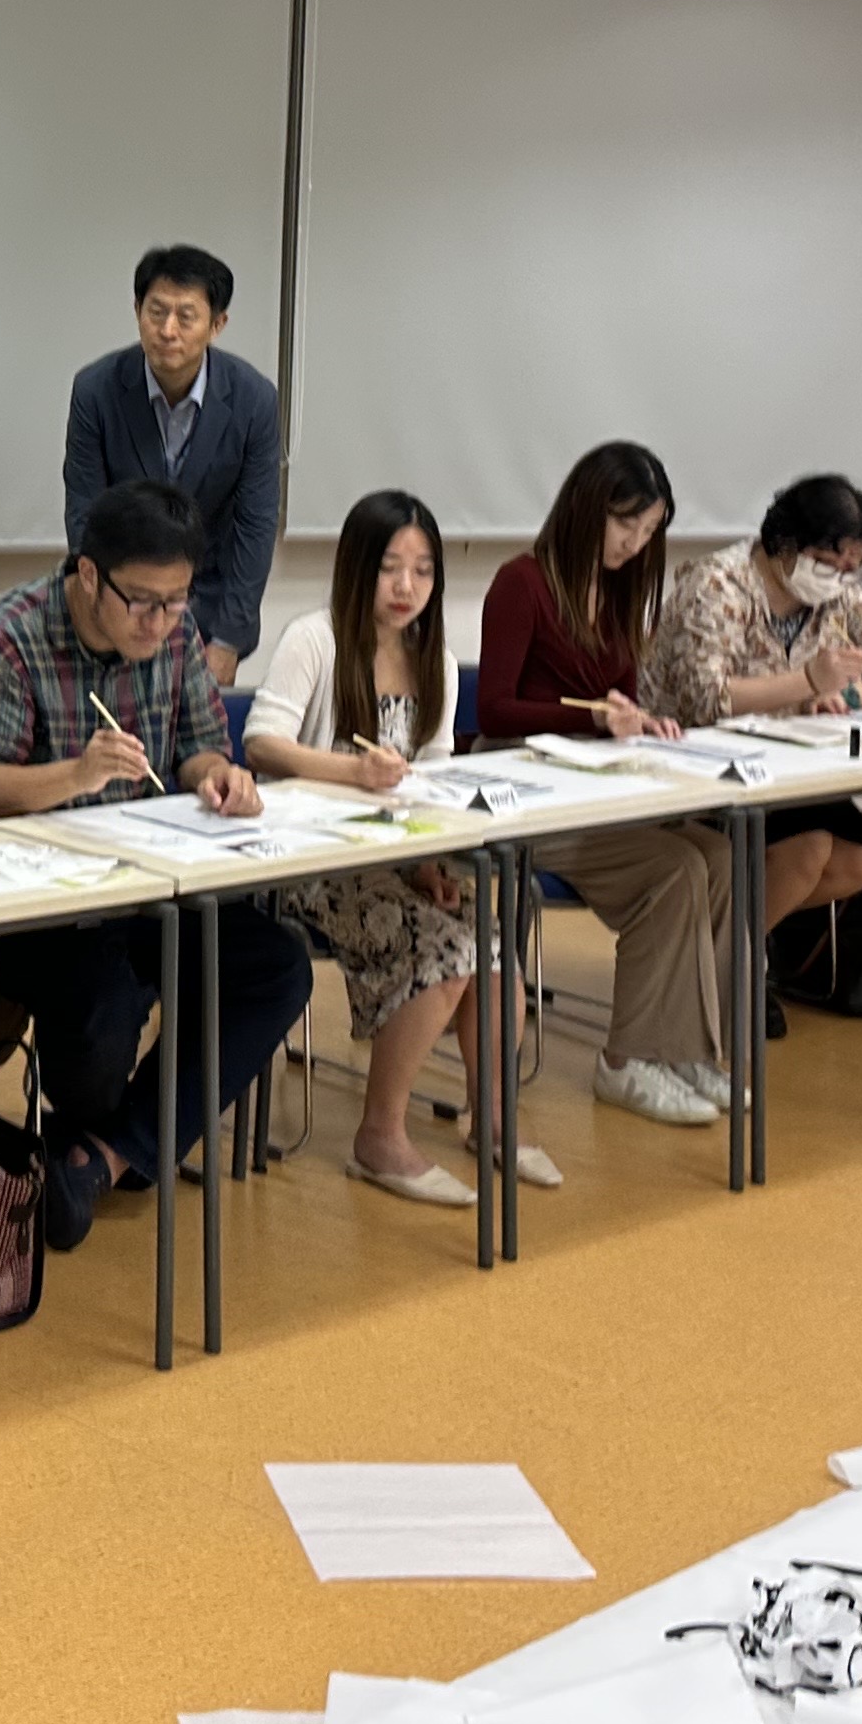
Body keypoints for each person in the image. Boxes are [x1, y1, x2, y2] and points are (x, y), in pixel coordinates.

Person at [0, 479, 314, 1250]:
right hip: (29, 908)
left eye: (176, 602)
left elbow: (198, 743)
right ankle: (108, 1140)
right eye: (142, 602)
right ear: (88, 575)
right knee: (101, 1011)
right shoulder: (6, 637)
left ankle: (100, 1157)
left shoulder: (174, 633)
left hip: (140, 886)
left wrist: (216, 776)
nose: (161, 622)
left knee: (276, 967)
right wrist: (74, 774)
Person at [245, 490, 560, 1198]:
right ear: (357, 566)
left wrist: (429, 864)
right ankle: (379, 1138)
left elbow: (434, 781)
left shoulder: (433, 660)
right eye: (390, 568)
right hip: (311, 863)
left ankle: (493, 1121)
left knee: (493, 952)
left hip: (393, 860)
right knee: (447, 955)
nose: (406, 587)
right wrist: (351, 772)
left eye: (422, 571)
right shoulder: (315, 639)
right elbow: (262, 743)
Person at [473, 441, 730, 1126]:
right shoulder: (521, 583)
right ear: (588, 509)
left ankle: (687, 1047)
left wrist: (641, 722)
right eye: (626, 526)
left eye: (648, 532)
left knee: (720, 856)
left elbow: (618, 699)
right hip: (529, 793)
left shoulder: (619, 593)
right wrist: (590, 717)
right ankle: (627, 1061)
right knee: (674, 870)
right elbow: (493, 710)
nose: (635, 545)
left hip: (595, 787)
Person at [643, 473, 862, 952]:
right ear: (785, 542)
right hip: (701, 769)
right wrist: (809, 681)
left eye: (850, 568)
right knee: (808, 849)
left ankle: (724, 951)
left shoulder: (838, 595)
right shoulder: (717, 585)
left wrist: (851, 696)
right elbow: (706, 700)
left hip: (785, 771)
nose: (837, 577)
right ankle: (727, 966)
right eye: (826, 563)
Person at [62, 243, 283, 690]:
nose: (167, 330)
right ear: (137, 311)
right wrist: (107, 612)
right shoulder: (96, 390)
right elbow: (85, 513)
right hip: (122, 601)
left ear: (217, 325)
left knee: (198, 730)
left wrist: (228, 642)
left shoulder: (254, 400)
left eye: (186, 316)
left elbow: (255, 527)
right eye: (156, 312)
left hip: (208, 609)